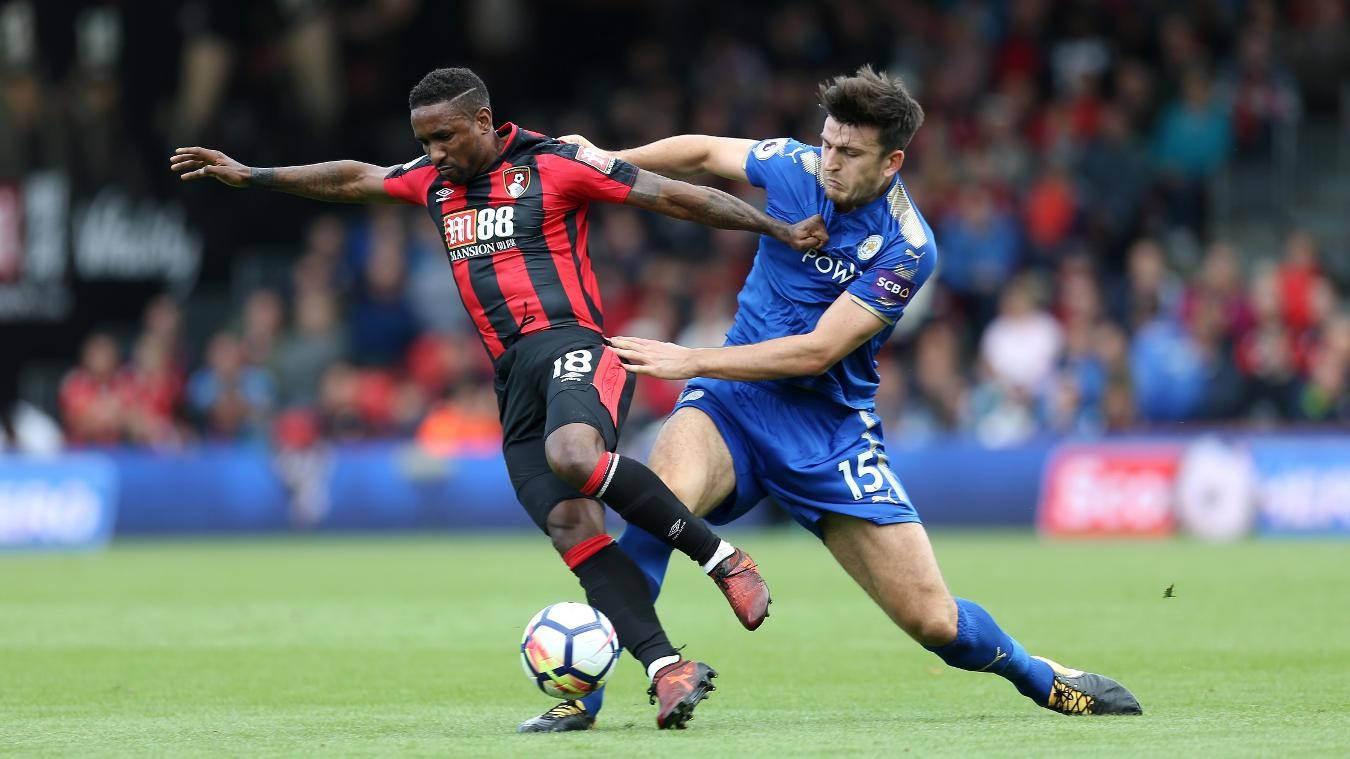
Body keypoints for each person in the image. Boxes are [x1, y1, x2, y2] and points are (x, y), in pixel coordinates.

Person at [170, 67, 830, 730]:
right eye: (424, 141)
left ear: (484, 121)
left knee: (574, 452)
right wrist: (251, 174)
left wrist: (775, 229)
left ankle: (722, 558)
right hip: (513, 379)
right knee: (574, 528)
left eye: (446, 137)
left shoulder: (556, 163)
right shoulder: (431, 182)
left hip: (574, 344)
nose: (434, 154)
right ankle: (667, 668)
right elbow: (353, 177)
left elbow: (675, 198)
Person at [527, 65, 1141, 732]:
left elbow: (818, 350)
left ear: (892, 161)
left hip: (826, 434)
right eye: (827, 144)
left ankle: (1041, 676)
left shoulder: (908, 248)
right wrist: (602, 163)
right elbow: (704, 152)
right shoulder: (796, 167)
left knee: (934, 621)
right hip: (729, 405)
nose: (830, 164)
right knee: (654, 515)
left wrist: (692, 357)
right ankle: (583, 696)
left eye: (849, 153)